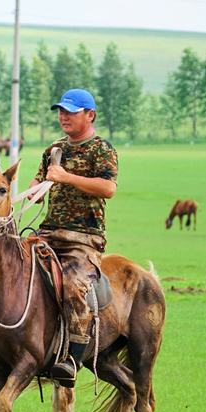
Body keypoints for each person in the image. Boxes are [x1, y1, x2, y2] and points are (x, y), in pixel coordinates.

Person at [28, 89, 118, 387]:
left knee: (73, 284)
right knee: (10, 267)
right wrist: (33, 191)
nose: (63, 117)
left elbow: (108, 188)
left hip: (84, 238)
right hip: (48, 232)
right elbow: (40, 179)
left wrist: (66, 177)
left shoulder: (101, 149)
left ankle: (73, 357)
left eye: (70, 112)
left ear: (89, 115)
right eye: (60, 111)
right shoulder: (54, 149)